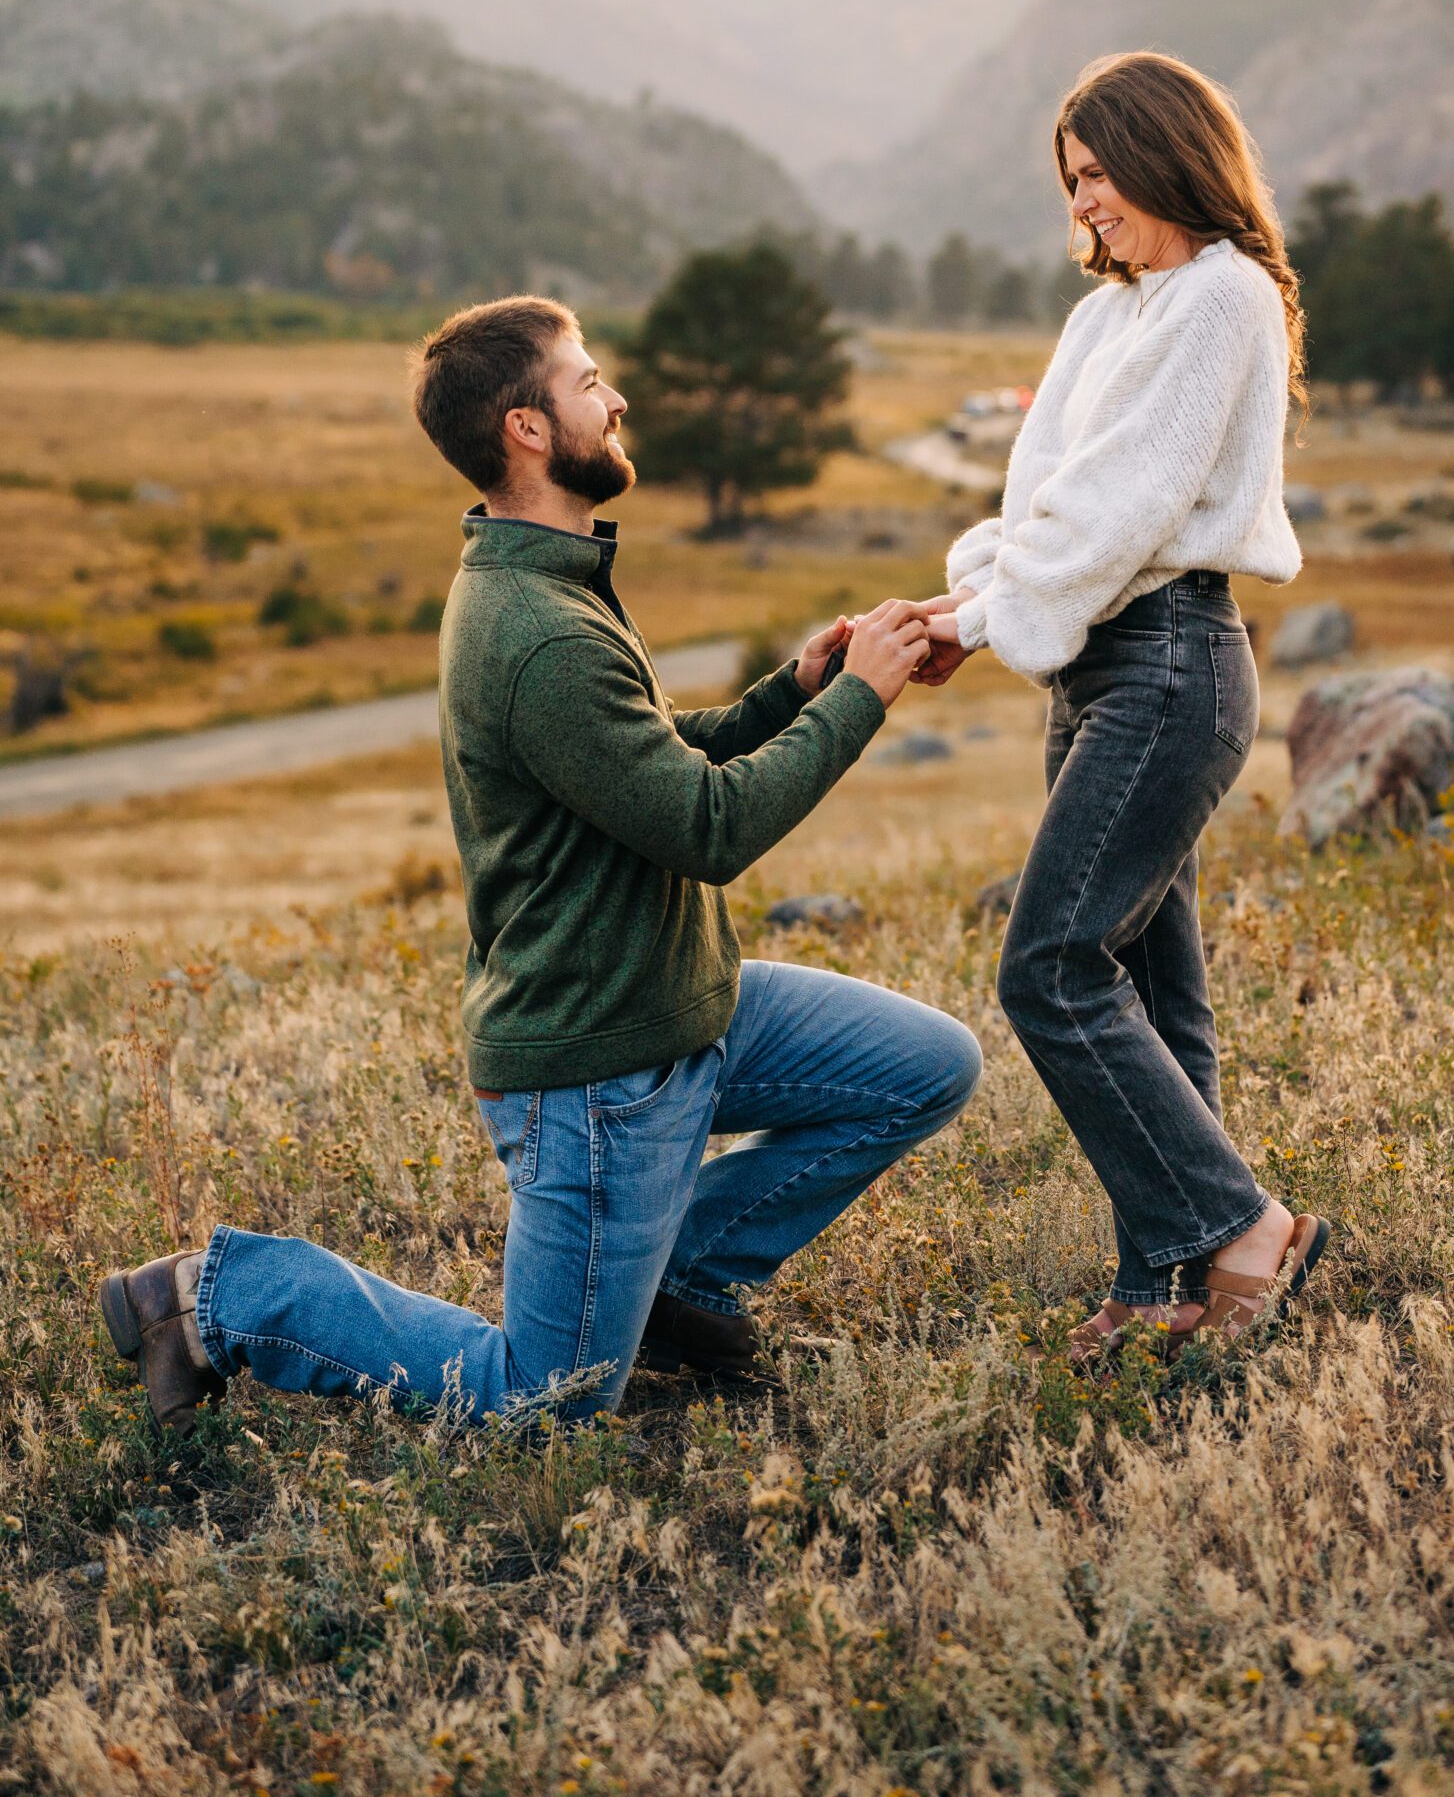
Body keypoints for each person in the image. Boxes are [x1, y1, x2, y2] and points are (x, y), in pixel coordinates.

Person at [100, 294, 981, 1434]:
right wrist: (864, 698)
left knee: (928, 1067)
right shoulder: (538, 629)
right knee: (543, 1401)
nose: (615, 400)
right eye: (589, 382)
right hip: (598, 1072)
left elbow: (646, 763)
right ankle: (213, 1298)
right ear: (526, 428)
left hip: (688, 1011)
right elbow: (708, 828)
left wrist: (794, 692)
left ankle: (676, 1277)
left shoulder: (550, 580)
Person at [915, 51, 1328, 1367]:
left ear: (1164, 155)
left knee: (1046, 965)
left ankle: (1242, 1225)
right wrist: (962, 603)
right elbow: (1042, 500)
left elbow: (1126, 508)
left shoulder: (1222, 298)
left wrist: (983, 620)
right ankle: (1163, 1282)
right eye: (1070, 182)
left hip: (1168, 663)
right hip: (1095, 670)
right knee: (1150, 983)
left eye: (1095, 175)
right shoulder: (1106, 319)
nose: (1081, 205)